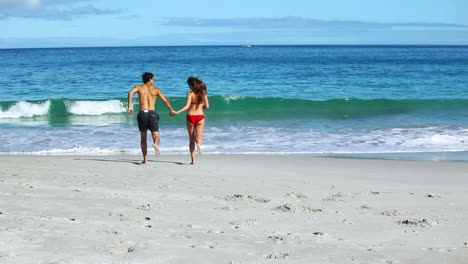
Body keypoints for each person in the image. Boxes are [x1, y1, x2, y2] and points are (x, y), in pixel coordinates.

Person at [128, 72, 175, 164]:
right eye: (153, 78)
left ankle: (145, 159)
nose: (154, 80)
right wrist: (171, 109)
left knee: (143, 138)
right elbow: (165, 101)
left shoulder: (138, 87)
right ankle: (155, 144)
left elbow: (130, 93)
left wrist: (130, 106)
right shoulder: (156, 89)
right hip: (152, 114)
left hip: (142, 113)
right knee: (156, 135)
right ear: (150, 79)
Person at [171, 77, 210, 164]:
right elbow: (207, 106)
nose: (188, 87)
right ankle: (199, 145)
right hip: (200, 117)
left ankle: (193, 160)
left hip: (191, 117)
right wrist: (200, 108)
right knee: (198, 139)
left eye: (189, 85)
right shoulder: (203, 93)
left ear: (192, 85)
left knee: (191, 140)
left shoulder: (190, 93)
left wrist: (177, 112)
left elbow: (187, 106)